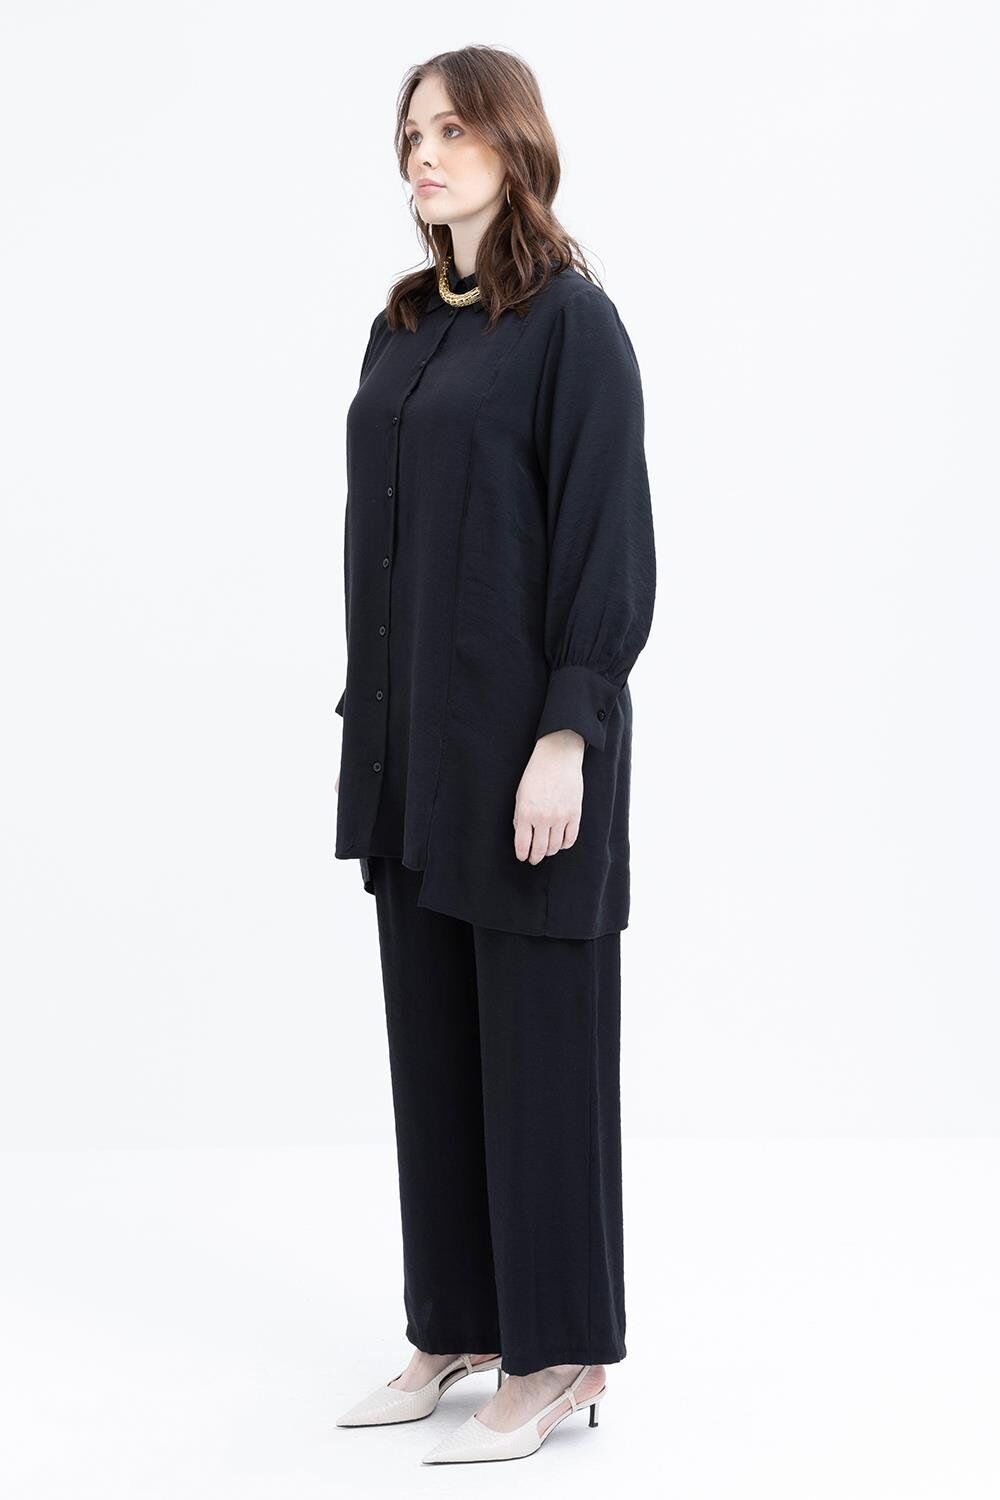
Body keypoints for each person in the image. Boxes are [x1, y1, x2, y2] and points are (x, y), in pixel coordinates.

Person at [333, 46, 656, 1465]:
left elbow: (607, 541)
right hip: (412, 753)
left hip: (527, 755)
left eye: (454, 129)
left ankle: (562, 1352)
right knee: (436, 1052)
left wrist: (566, 736)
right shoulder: (404, 327)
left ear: (514, 143)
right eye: (412, 132)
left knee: (540, 1057)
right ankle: (457, 1323)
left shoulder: (573, 325)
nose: (426, 153)